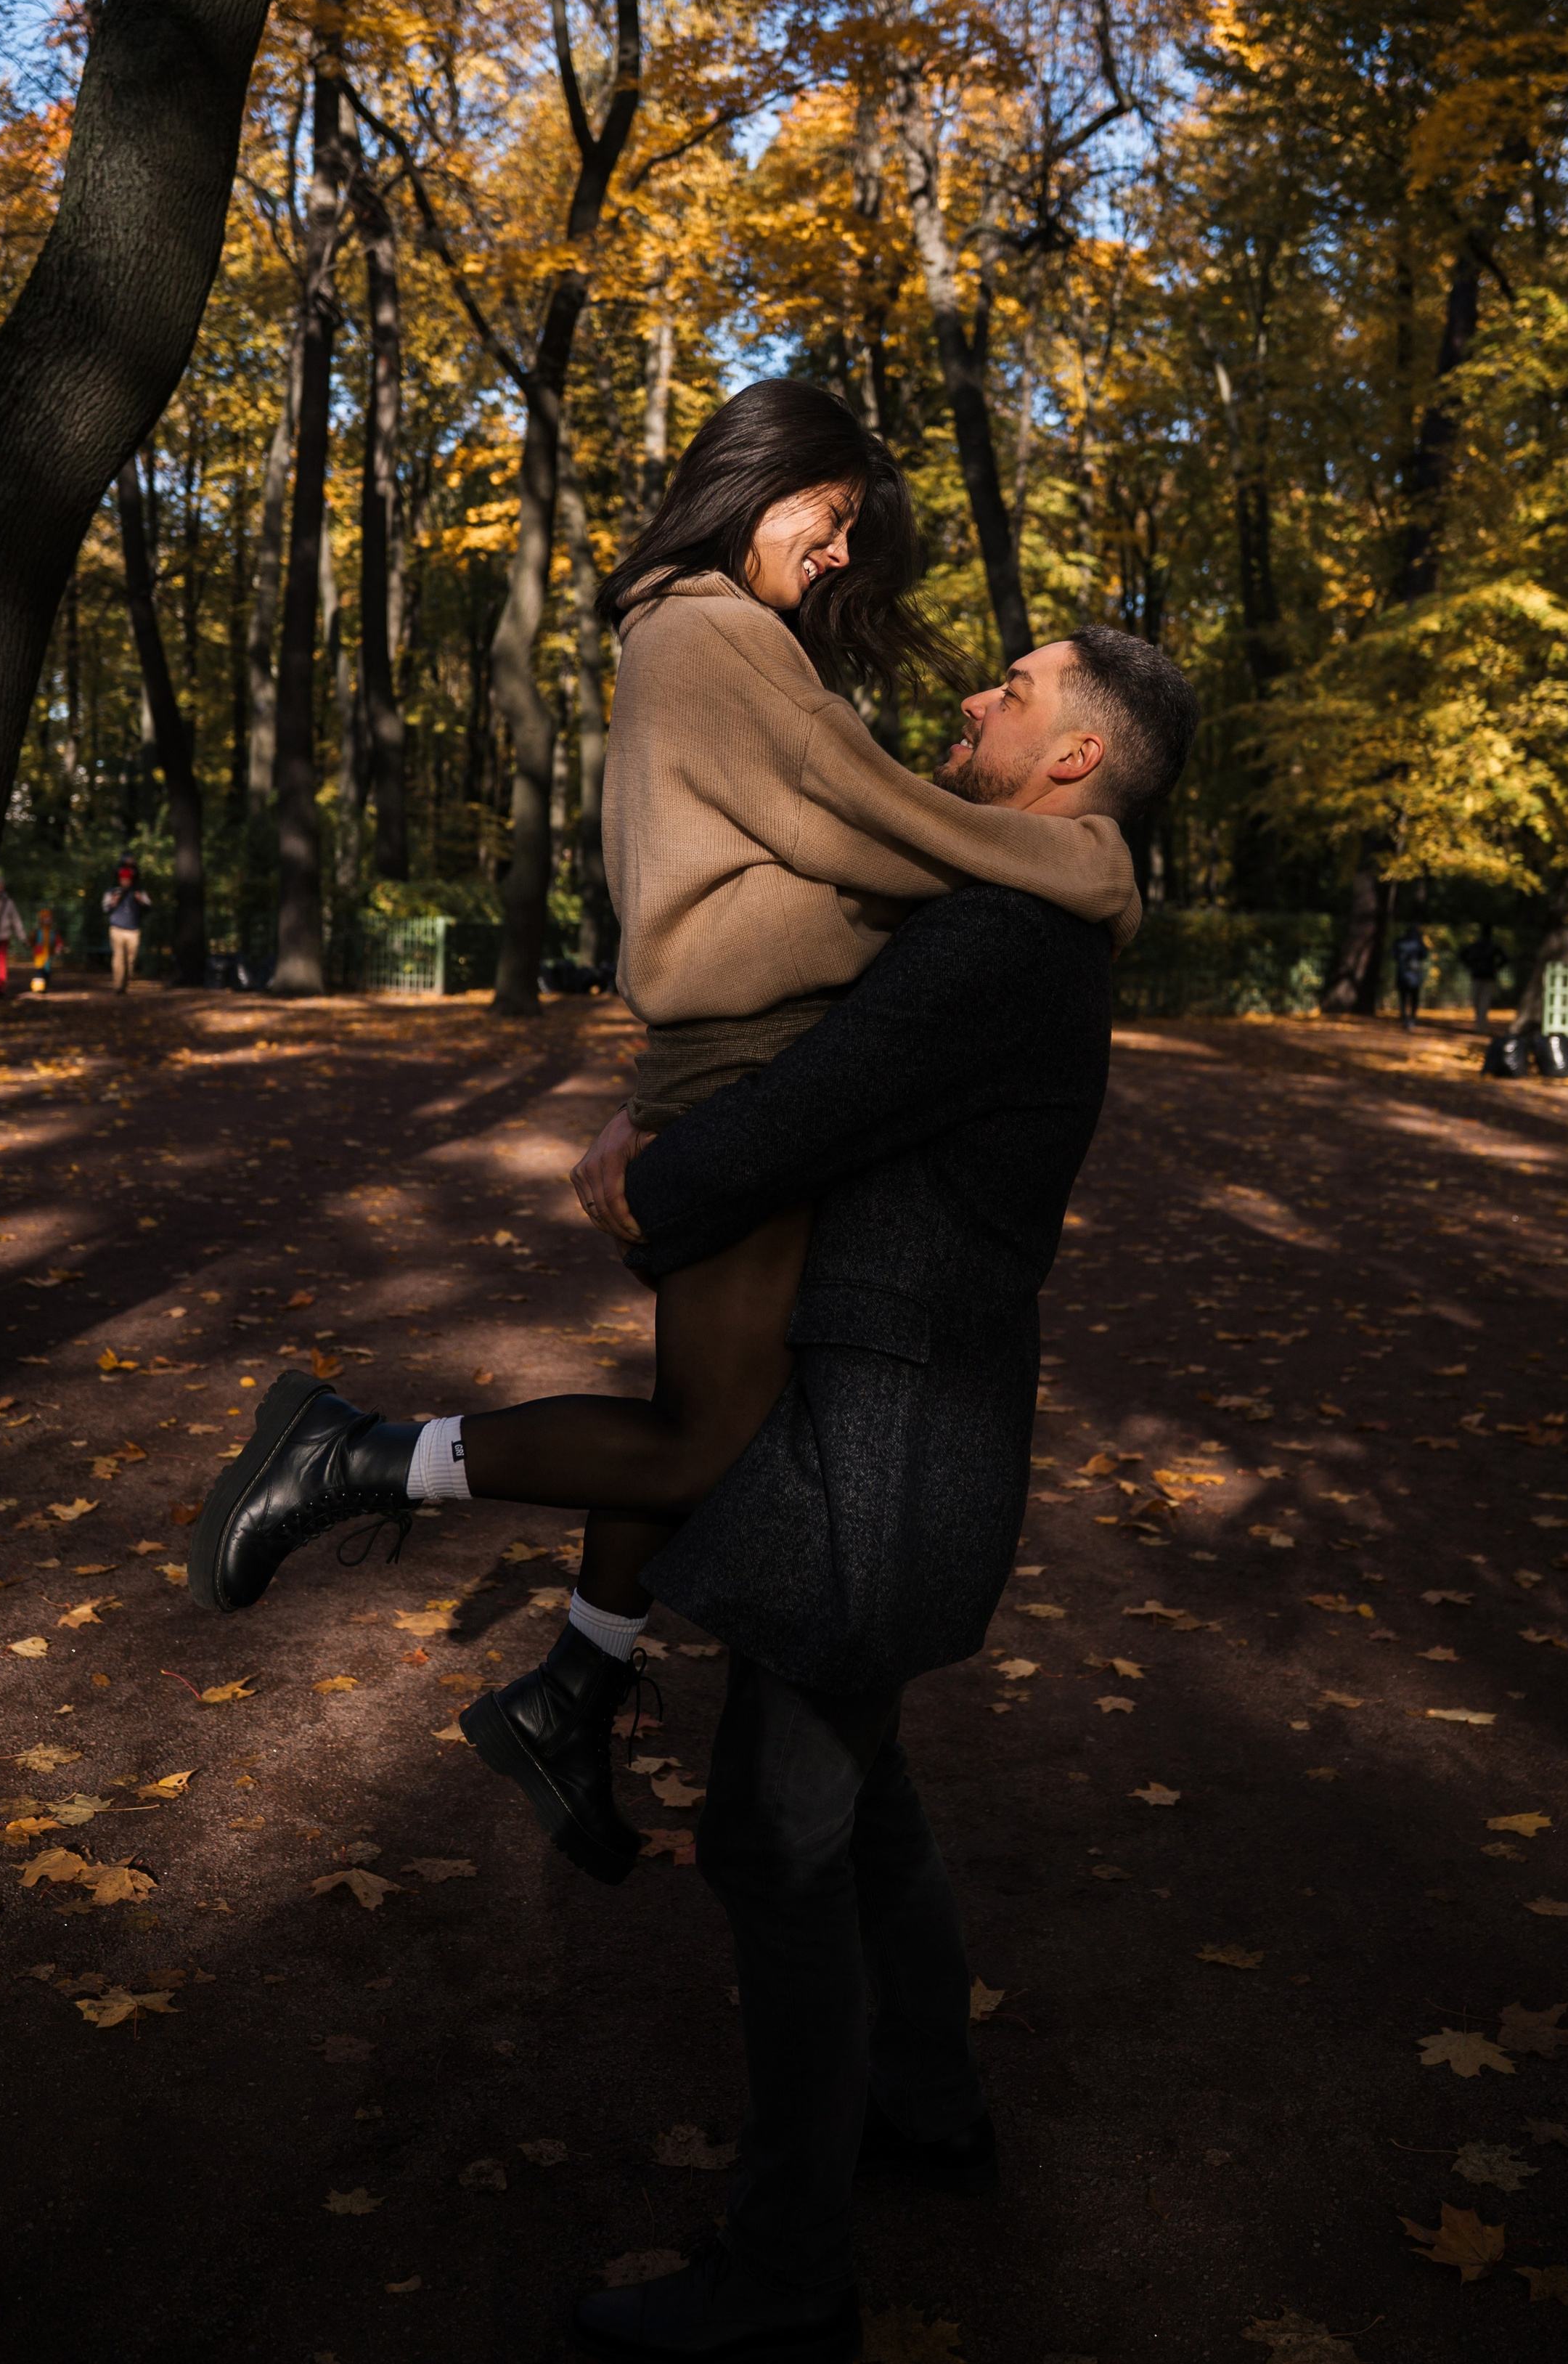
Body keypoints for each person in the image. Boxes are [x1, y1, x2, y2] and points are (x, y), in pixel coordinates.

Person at [196, 614, 1198, 2363]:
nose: (975, 692)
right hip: (901, 1443)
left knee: (774, 1833)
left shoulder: (995, 940)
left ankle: (790, 2275)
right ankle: (929, 2107)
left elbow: (797, 1108)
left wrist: (650, 1163)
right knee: (861, 1791)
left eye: (1016, 687)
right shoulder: (1012, 926)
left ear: (1073, 762)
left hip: (874, 1468)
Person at [189, 382, 1140, 1888]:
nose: (833, 556)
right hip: (746, 1068)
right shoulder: (710, 628)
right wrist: (1079, 864)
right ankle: (356, 1459)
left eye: (843, 540)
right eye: (826, 522)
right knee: (714, 1439)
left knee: (707, 1417)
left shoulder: (698, 629)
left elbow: (831, 839)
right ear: (762, 481)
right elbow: (877, 821)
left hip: (735, 1057)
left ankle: (574, 1682)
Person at [102, 860, 150, 992]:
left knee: (130, 960)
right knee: (118, 957)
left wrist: (140, 900)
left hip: (134, 930)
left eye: (127, 879)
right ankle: (118, 986)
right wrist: (114, 901)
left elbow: (148, 907)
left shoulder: (138, 891)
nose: (125, 882)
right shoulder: (112, 891)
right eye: (123, 879)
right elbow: (105, 908)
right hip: (117, 929)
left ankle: (125, 983)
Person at [1458, 922, 1507, 1030]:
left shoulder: (1481, 945)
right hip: (1484, 976)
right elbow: (1462, 954)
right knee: (1481, 1002)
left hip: (1483, 977)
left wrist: (1470, 965)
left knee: (1480, 1001)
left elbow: (1462, 954)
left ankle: (1481, 1025)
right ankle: (1480, 1024)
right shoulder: (1486, 946)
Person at [1393, 921, 1431, 1029]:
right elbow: (1425, 954)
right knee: (1414, 997)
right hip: (1414, 974)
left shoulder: (1400, 941)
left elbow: (1393, 955)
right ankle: (1412, 1017)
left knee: (1403, 997)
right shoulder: (1418, 942)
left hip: (1402, 973)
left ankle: (1404, 1016)